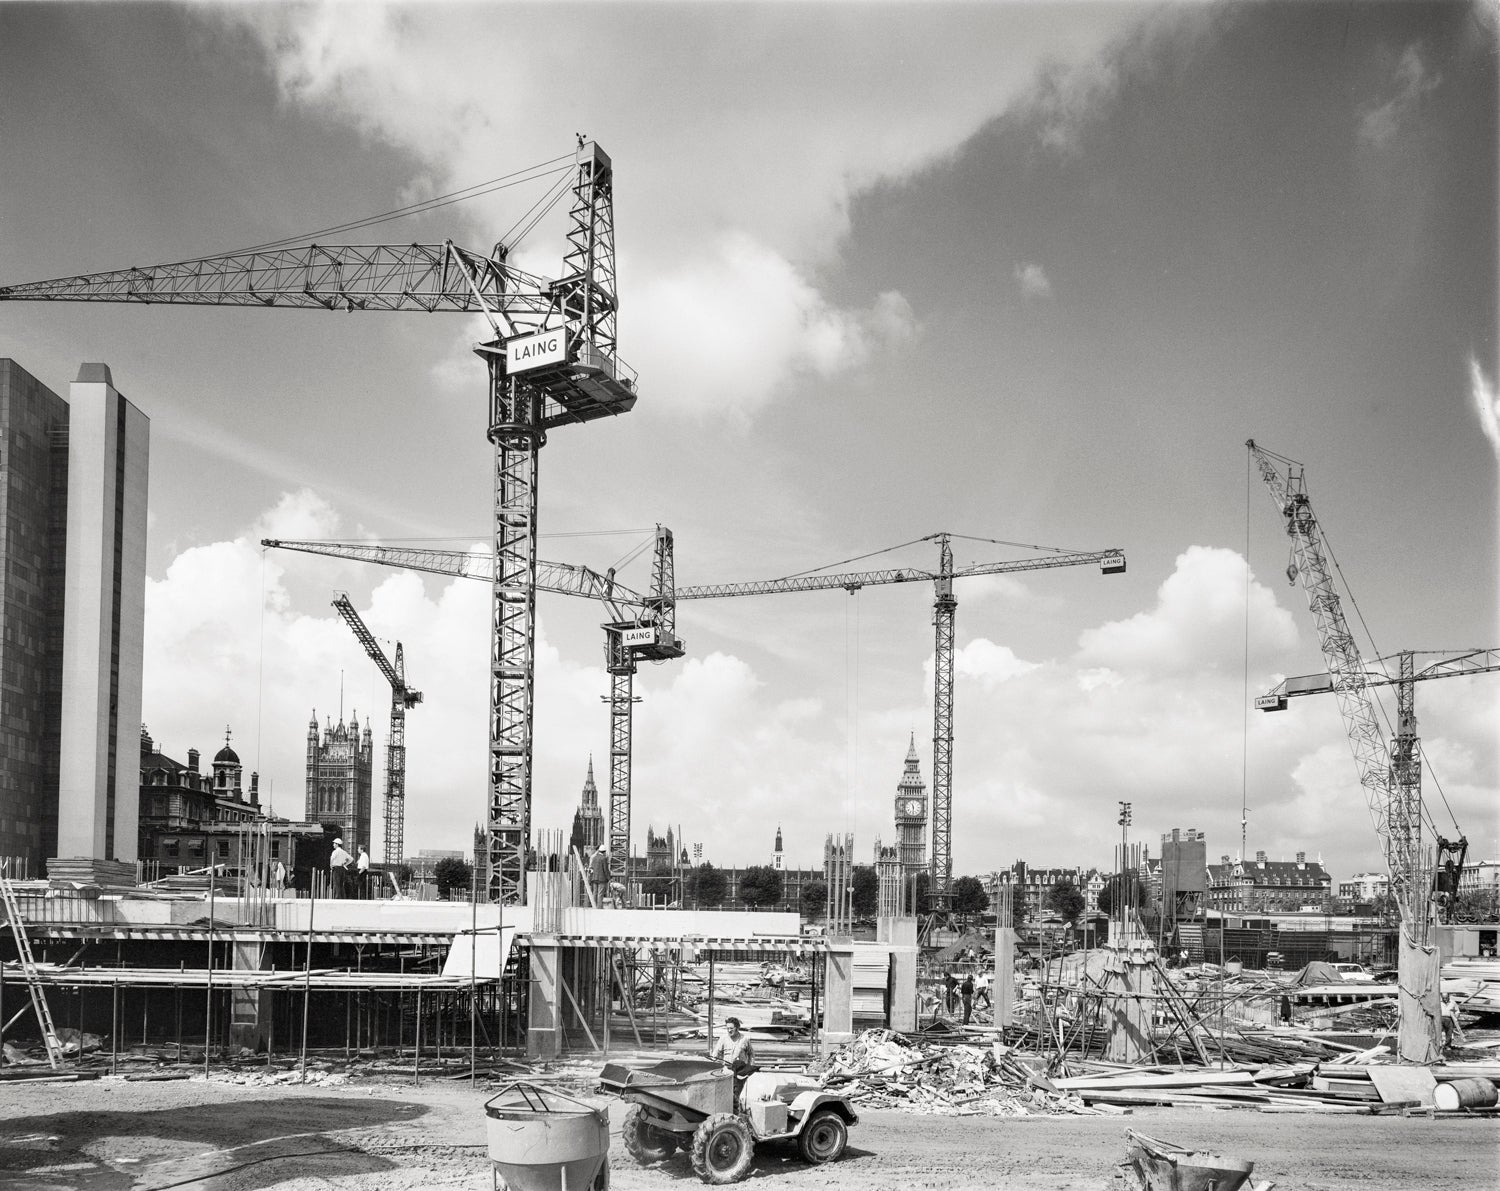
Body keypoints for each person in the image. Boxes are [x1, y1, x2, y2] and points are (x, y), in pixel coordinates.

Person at [712, 1016, 755, 1099]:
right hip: (727, 1071)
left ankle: (736, 1110)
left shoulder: (745, 1039)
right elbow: (715, 1054)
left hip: (740, 1073)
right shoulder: (723, 1039)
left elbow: (751, 1054)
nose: (729, 1030)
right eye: (727, 1028)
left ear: (737, 1028)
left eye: (731, 1028)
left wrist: (750, 1068)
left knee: (736, 1096)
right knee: (726, 1095)